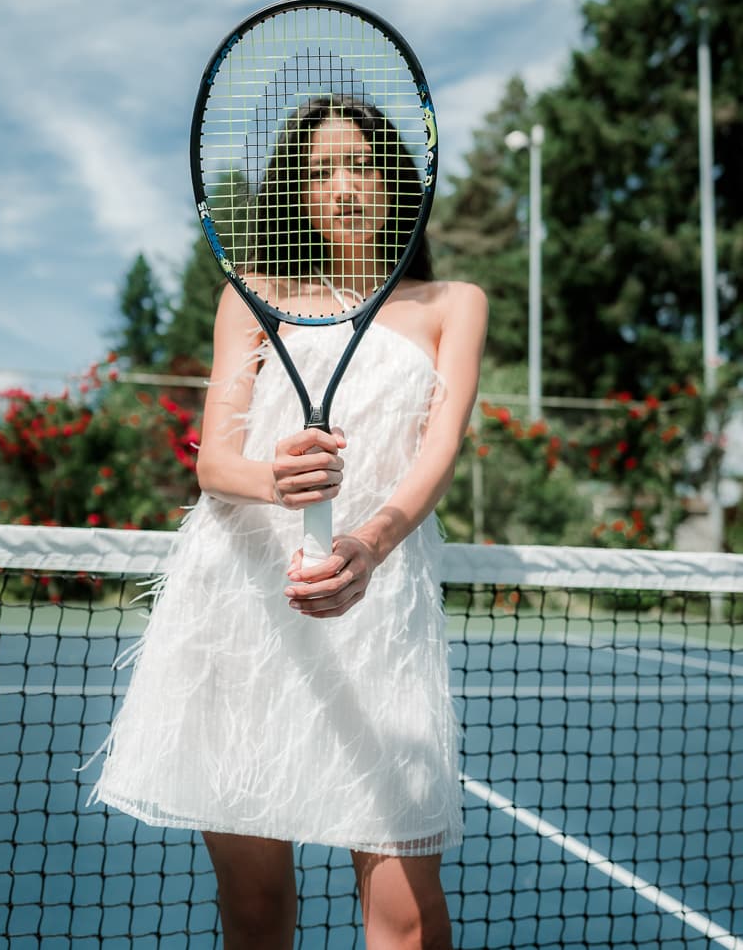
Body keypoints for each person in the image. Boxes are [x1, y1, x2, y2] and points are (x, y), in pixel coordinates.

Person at [90, 95, 488, 950]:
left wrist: (367, 546)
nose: (343, 185)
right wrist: (279, 476)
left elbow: (437, 452)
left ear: (398, 181)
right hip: (242, 609)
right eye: (318, 170)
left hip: (375, 603)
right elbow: (215, 463)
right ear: (292, 193)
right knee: (256, 911)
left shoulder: (455, 302)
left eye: (362, 164)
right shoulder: (254, 295)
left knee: (412, 922)